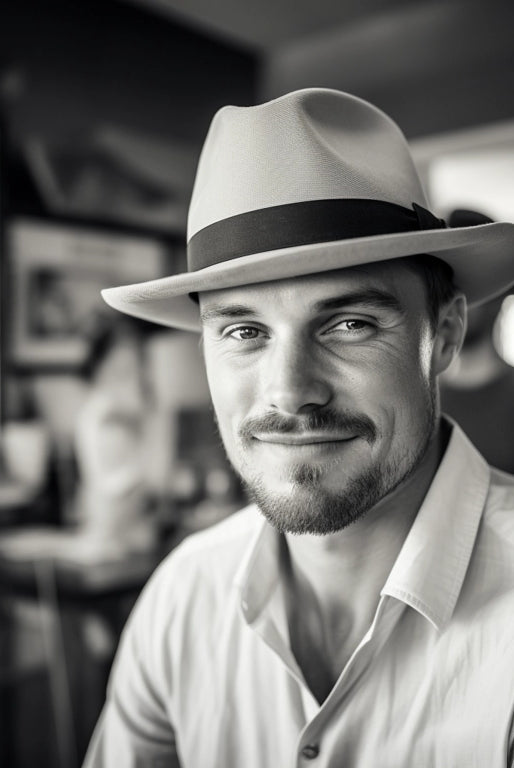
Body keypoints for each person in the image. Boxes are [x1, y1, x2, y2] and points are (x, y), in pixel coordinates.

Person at [83, 89, 514, 767]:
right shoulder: (182, 599)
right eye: (245, 330)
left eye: (350, 324)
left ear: (447, 335)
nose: (290, 391)